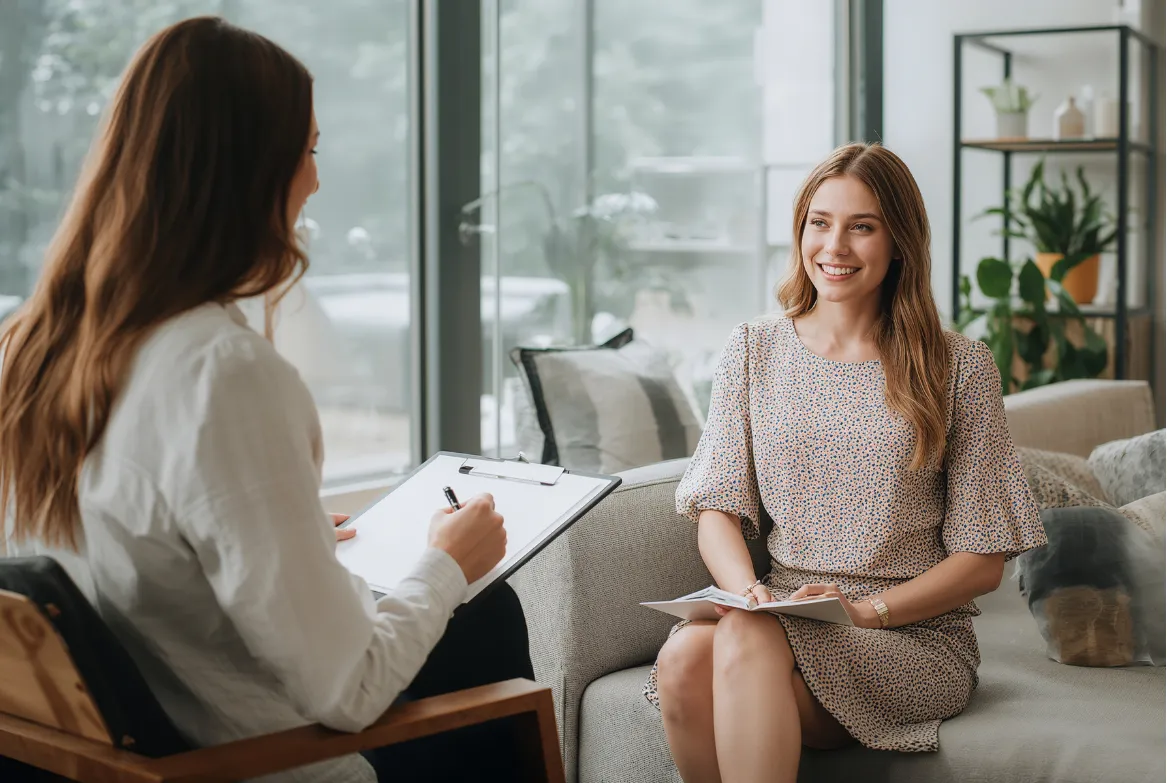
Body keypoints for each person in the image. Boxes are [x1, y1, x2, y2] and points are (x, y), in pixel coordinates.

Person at [0, 17, 532, 783]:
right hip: (253, 760)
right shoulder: (221, 372)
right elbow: (347, 688)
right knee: (486, 606)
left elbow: (115, 536)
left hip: (124, 742)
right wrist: (448, 562)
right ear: (246, 171)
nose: (315, 178)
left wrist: (255, 528)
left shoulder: (33, 346)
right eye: (308, 150)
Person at [642, 143, 1047, 783]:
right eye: (819, 222)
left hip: (905, 637)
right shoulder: (753, 349)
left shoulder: (958, 367)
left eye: (862, 227)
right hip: (780, 613)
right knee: (688, 651)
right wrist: (747, 590)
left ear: (899, 242)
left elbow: (982, 561)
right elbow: (717, 505)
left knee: (740, 639)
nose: (835, 246)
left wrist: (863, 611)